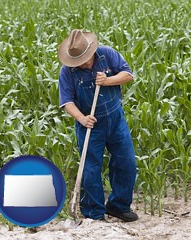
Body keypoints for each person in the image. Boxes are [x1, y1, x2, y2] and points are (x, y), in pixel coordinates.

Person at [57, 29, 138, 222]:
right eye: (78, 60)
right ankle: (94, 212)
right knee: (91, 169)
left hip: (115, 119)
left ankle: (118, 206)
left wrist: (108, 80)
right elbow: (66, 101)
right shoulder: (67, 72)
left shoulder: (107, 54)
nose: (83, 63)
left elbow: (128, 75)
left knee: (126, 162)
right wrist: (82, 118)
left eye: (84, 58)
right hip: (90, 125)